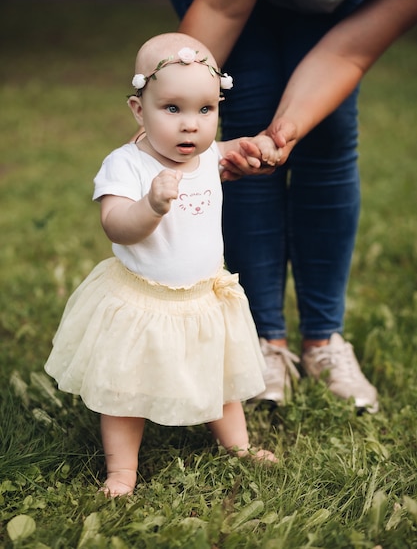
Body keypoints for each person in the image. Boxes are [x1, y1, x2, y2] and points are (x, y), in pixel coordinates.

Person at [154, 0, 417, 413]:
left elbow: (348, 51)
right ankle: (260, 341)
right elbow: (225, 2)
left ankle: (323, 341)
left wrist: (289, 127)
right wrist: (161, 115)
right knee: (249, 102)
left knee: (328, 127)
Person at [45, 32, 280, 497]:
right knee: (124, 389)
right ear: (139, 109)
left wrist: (257, 149)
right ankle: (122, 470)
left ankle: (238, 446)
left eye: (205, 110)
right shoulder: (126, 166)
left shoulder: (210, 156)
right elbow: (116, 225)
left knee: (221, 377)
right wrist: (150, 206)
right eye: (172, 109)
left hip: (203, 296)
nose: (190, 125)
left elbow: (240, 154)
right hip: (142, 300)